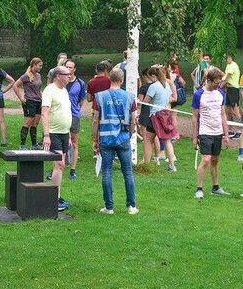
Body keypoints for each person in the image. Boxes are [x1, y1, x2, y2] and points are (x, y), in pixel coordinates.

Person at [92, 68, 139, 215]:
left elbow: (95, 121)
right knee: (128, 172)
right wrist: (130, 135)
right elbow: (133, 120)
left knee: (107, 172)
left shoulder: (99, 97)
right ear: (122, 80)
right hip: (123, 138)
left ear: (108, 79)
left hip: (105, 139)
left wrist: (95, 139)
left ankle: (109, 207)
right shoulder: (130, 97)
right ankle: (131, 206)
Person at [192, 67, 230, 199]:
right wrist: (194, 137)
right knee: (206, 159)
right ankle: (199, 189)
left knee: (215, 160)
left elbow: (223, 115)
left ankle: (215, 187)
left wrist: (226, 134)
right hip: (205, 131)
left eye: (219, 82)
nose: (218, 85)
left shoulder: (220, 93)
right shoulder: (199, 95)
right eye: (216, 82)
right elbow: (195, 117)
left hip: (218, 131)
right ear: (209, 80)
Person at [41, 66, 73, 211]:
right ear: (59, 76)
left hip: (64, 133)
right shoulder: (50, 90)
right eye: (67, 74)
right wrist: (46, 135)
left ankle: (57, 196)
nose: (70, 76)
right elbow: (44, 113)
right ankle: (53, 199)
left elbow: (65, 112)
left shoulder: (64, 90)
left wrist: (70, 135)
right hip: (53, 133)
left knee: (62, 165)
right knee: (58, 165)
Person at [143, 66, 178, 172]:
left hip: (155, 116)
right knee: (167, 140)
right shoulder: (167, 85)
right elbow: (170, 98)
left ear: (154, 76)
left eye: (150, 77)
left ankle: (146, 164)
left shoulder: (154, 86)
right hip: (165, 114)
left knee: (148, 140)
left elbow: (145, 101)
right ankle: (172, 165)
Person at [13, 57, 44, 149]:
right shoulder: (26, 76)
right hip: (30, 102)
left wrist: (43, 98)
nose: (41, 67)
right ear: (34, 65)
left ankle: (34, 145)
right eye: (39, 65)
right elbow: (15, 85)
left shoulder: (38, 75)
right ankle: (22, 145)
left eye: (41, 66)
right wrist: (21, 98)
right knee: (27, 123)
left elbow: (39, 89)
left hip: (38, 102)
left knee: (35, 124)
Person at [64, 59, 86, 178]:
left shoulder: (80, 83)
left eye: (70, 67)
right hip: (62, 115)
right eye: (66, 67)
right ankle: (58, 168)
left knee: (74, 142)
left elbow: (81, 100)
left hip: (74, 115)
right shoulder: (61, 81)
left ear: (74, 69)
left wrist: (76, 110)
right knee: (62, 142)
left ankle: (72, 170)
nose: (68, 69)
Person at [222, 54, 241, 137]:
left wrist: (218, 86)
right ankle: (230, 129)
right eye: (225, 59)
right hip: (229, 89)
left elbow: (226, 79)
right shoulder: (228, 65)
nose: (226, 60)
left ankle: (240, 129)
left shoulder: (232, 66)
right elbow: (225, 77)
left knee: (235, 109)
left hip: (234, 89)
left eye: (227, 58)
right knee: (228, 109)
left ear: (231, 58)